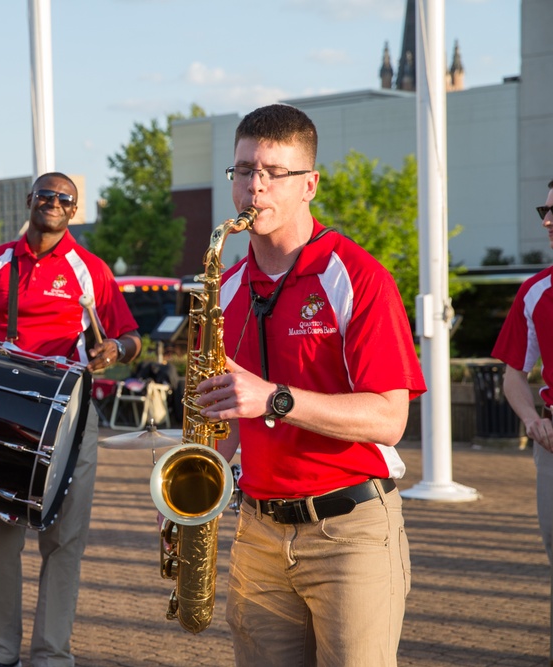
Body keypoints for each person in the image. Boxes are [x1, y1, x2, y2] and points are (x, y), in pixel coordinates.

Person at [192, 104, 426, 666]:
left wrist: (276, 399)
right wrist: (197, 482)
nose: (256, 187)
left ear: (310, 185)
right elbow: (222, 415)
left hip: (349, 533)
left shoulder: (358, 277)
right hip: (258, 531)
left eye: (275, 172)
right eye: (244, 170)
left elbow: (389, 419)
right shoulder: (220, 287)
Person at [0, 171, 141, 667]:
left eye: (65, 198)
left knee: (64, 540)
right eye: (47, 195)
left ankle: (51, 656)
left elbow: (130, 336)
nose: (55, 203)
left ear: (74, 210)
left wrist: (115, 348)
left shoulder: (90, 269)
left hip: (70, 418)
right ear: (30, 200)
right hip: (2, 416)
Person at [492, 178, 553, 566]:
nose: (547, 221)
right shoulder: (534, 292)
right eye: (544, 211)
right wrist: (532, 420)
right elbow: (514, 374)